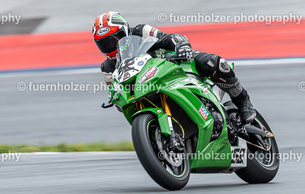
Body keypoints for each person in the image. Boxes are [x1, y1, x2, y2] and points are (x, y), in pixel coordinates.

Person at [92, 11, 256, 123]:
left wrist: (181, 47)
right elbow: (116, 93)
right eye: (104, 44)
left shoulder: (141, 31)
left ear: (125, 30)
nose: (111, 46)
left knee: (212, 62)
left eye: (114, 39)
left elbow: (168, 38)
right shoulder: (107, 67)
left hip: (174, 65)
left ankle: (243, 102)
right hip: (146, 89)